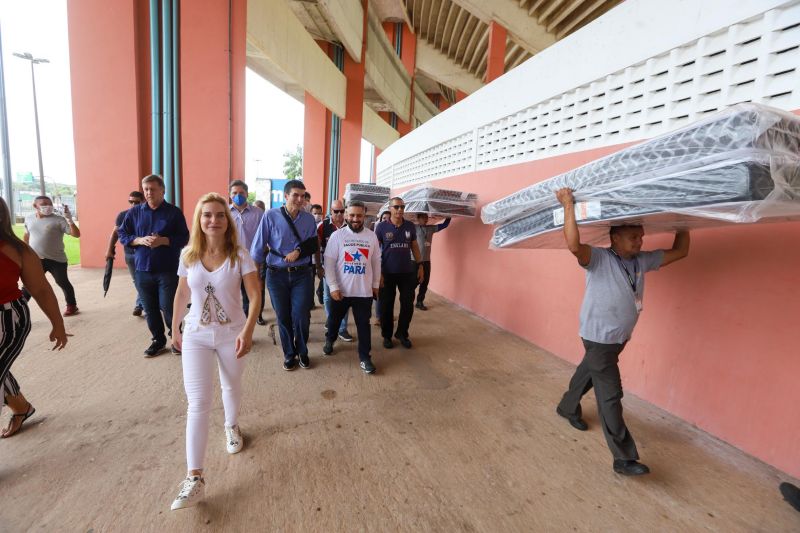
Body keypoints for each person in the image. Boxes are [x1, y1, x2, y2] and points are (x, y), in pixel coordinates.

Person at [553, 187, 690, 476]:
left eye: (641, 236)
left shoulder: (641, 261)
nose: (639, 241)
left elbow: (681, 252)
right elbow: (574, 246)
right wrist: (568, 205)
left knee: (588, 371)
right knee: (611, 395)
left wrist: (684, 221)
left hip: (618, 338)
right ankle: (624, 457)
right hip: (598, 336)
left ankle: (567, 407)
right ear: (615, 238)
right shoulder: (599, 259)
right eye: (633, 237)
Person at [169, 193, 260, 511]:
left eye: (220, 215)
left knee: (231, 386)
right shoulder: (188, 255)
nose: (213, 220)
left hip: (231, 335)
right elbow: (182, 291)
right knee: (198, 403)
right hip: (195, 335)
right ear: (199, 219)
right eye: (207, 215)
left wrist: (247, 331)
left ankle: (231, 425)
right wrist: (174, 325)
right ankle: (194, 478)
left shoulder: (240, 256)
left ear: (228, 220)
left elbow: (254, 295)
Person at [0, 196, 68, 438]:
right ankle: (21, 408)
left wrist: (57, 324)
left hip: (9, 322)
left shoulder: (18, 251)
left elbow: (41, 289)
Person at [250, 179, 318, 371]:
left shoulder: (308, 219)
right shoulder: (270, 216)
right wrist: (256, 278)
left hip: (302, 275)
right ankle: (289, 354)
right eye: (295, 195)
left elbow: (313, 244)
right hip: (276, 275)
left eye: (302, 196)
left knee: (301, 315)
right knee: (283, 317)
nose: (299, 199)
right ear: (286, 196)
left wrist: (298, 252)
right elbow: (257, 248)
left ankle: (303, 351)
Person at [118, 174, 190, 357]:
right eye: (146, 189)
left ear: (162, 190)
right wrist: (139, 240)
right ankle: (158, 340)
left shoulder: (173, 212)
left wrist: (164, 241)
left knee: (168, 307)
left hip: (167, 269)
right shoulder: (134, 213)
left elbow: (184, 238)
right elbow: (123, 235)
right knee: (150, 309)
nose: (149, 192)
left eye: (153, 189)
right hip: (142, 269)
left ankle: (176, 337)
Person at [321, 201, 381, 373]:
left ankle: (365, 357)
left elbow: (376, 262)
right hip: (341, 291)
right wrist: (333, 286)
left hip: (363, 292)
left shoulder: (371, 236)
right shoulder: (337, 236)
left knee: (364, 325)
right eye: (352, 215)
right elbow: (329, 263)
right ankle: (329, 339)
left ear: (364, 216)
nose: (355, 219)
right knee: (333, 321)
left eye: (359, 215)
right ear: (346, 215)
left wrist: (375, 284)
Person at [375, 197, 424, 349]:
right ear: (390, 209)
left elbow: (415, 246)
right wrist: (378, 273)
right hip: (387, 273)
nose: (400, 210)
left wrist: (420, 265)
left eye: (402, 207)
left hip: (407, 273)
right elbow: (376, 251)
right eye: (396, 207)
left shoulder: (410, 226)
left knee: (408, 305)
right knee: (386, 306)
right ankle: (387, 336)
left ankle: (402, 333)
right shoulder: (381, 227)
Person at [23, 196, 81, 316]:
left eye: (50, 204)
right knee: (29, 284)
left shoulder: (58, 219)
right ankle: (20, 308)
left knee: (62, 282)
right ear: (35, 206)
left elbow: (76, 234)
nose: (48, 206)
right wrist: (24, 251)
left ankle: (72, 306)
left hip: (56, 259)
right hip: (36, 259)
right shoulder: (29, 219)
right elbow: (27, 235)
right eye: (44, 204)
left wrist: (69, 220)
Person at [228, 180, 266, 325]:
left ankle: (257, 314)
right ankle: (240, 322)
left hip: (253, 260)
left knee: (254, 290)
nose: (238, 196)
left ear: (247, 194)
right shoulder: (224, 213)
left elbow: (265, 236)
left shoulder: (258, 213)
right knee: (233, 292)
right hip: (231, 259)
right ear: (230, 195)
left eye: (241, 193)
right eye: (235, 193)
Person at [106, 191, 145, 316]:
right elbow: (115, 233)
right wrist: (109, 250)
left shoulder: (148, 214)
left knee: (144, 280)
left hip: (145, 254)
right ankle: (142, 304)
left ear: (143, 201)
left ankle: (141, 304)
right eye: (131, 202)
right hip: (129, 254)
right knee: (137, 280)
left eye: (136, 202)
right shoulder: (123, 215)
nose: (133, 204)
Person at [318, 199, 352, 341]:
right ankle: (332, 320)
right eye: (335, 211)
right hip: (328, 268)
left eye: (342, 211)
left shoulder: (351, 226)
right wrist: (318, 266)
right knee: (327, 297)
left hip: (345, 269)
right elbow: (316, 247)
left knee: (343, 297)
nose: (339, 214)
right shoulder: (322, 226)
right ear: (330, 211)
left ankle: (342, 329)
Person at [414, 214, 451, 310]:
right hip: (415, 261)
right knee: (413, 282)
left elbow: (444, 225)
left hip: (426, 261)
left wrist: (449, 216)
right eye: (423, 217)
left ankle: (419, 302)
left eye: (426, 217)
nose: (425, 219)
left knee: (425, 282)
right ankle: (407, 300)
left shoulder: (431, 228)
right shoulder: (414, 228)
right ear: (418, 219)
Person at [311, 204, 325, 305]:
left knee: (323, 277)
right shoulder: (307, 224)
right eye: (315, 213)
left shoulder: (324, 225)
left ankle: (320, 291)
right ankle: (311, 301)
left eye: (319, 213)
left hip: (321, 257)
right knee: (310, 281)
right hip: (309, 258)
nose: (317, 215)